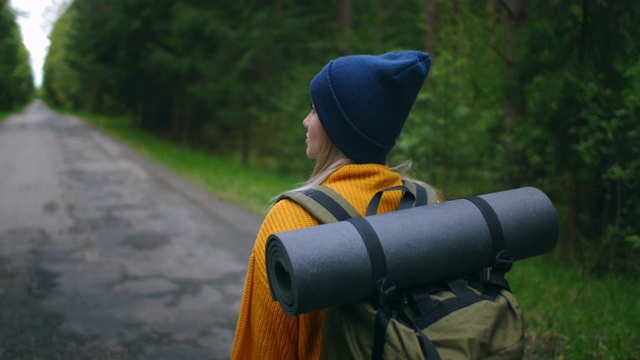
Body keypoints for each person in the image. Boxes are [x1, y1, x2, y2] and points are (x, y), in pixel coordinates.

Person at [231, 50, 436, 359]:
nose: (306, 119)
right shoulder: (433, 207)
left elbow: (263, 349)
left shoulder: (290, 221)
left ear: (336, 126)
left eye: (315, 110)